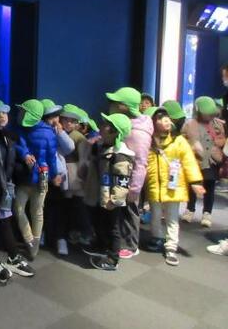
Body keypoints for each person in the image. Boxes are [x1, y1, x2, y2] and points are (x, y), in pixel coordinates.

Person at [0, 99, 34, 285]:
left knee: (5, 223)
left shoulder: (8, 136)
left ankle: (13, 257)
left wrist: (25, 164)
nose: (2, 116)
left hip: (3, 189)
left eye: (4, 112)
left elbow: (10, 161)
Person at [144, 108, 204, 266]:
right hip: (155, 187)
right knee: (155, 215)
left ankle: (171, 246)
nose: (165, 120)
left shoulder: (179, 141)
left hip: (173, 187)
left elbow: (189, 161)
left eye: (166, 117)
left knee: (172, 218)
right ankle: (157, 238)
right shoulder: (148, 142)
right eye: (159, 118)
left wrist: (196, 182)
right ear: (152, 123)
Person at [106, 87, 153, 259]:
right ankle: (118, 241)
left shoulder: (139, 133)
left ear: (125, 106)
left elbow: (141, 163)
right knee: (119, 210)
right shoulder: (127, 123)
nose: (112, 105)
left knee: (130, 211)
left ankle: (131, 245)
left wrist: (134, 189)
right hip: (120, 173)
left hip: (130, 179)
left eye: (116, 102)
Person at [83, 113, 134, 271]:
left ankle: (113, 258)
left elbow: (122, 180)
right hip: (101, 194)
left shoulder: (120, 155)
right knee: (100, 222)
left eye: (106, 125)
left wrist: (115, 199)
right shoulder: (103, 147)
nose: (101, 126)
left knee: (113, 228)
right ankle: (101, 245)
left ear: (114, 131)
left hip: (111, 199)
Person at [14, 99, 61, 259]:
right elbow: (51, 158)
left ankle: (30, 241)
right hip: (41, 176)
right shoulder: (49, 133)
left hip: (28, 177)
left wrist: (24, 154)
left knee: (20, 208)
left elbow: (18, 145)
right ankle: (33, 243)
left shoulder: (22, 130)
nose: (19, 114)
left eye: (22, 111)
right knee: (36, 211)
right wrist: (54, 175)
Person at [181, 96, 225, 227]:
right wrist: (192, 146)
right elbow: (183, 140)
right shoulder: (190, 124)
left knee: (209, 187)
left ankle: (207, 213)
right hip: (195, 161)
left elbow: (222, 140)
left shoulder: (218, 124)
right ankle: (190, 209)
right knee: (193, 186)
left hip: (212, 161)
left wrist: (215, 145)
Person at [40, 99, 75, 256]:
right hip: (45, 175)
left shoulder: (57, 131)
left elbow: (69, 148)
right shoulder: (40, 131)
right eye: (52, 116)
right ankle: (42, 234)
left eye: (57, 116)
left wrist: (60, 132)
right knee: (43, 207)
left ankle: (60, 238)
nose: (56, 119)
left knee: (59, 209)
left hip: (58, 178)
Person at [60, 104, 92, 247]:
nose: (69, 123)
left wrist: (82, 176)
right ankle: (73, 232)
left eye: (72, 121)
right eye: (66, 120)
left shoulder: (79, 137)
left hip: (75, 175)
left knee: (78, 206)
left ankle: (85, 233)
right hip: (66, 173)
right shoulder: (62, 134)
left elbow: (84, 159)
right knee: (70, 206)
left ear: (77, 124)